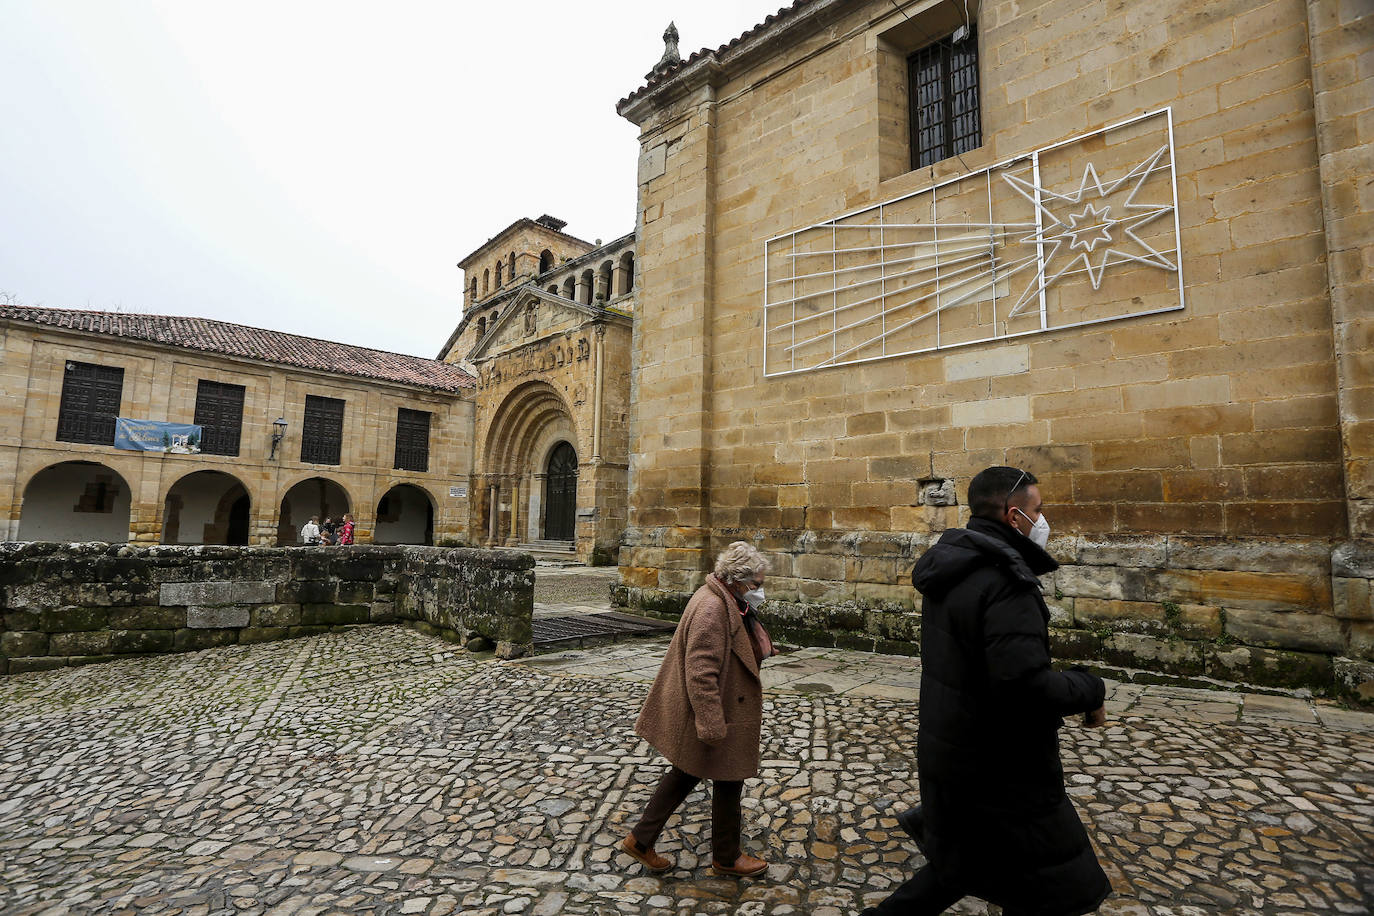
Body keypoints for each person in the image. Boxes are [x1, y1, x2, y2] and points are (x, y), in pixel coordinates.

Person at [862, 467, 1110, 916]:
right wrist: (1090, 688)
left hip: (958, 746)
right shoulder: (1004, 582)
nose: (1044, 518)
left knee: (966, 867)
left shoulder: (955, 567)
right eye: (1038, 510)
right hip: (1002, 760)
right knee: (1052, 880)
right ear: (1014, 517)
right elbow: (1027, 683)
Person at [621, 541, 779, 878]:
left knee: (690, 774)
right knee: (725, 777)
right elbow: (700, 671)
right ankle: (726, 857)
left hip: (722, 708)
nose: (760, 592)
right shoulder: (712, 608)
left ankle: (642, 839)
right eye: (757, 585)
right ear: (738, 580)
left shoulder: (724, 600)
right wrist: (711, 724)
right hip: (715, 711)